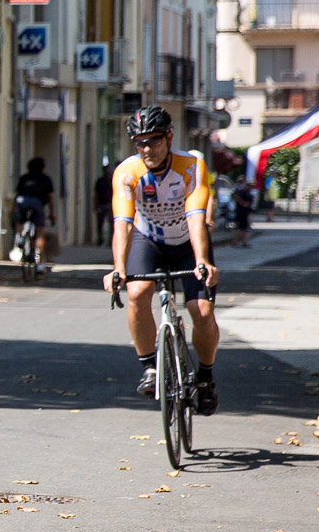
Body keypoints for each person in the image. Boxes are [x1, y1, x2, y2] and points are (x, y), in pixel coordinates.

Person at [104, 106, 220, 415]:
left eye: (153, 141)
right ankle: (149, 367)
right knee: (138, 294)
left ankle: (205, 378)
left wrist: (201, 260)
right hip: (148, 241)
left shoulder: (191, 165)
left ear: (169, 137)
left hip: (187, 241)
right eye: (139, 142)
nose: (146, 149)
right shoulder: (127, 172)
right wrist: (118, 268)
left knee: (202, 310)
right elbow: (123, 223)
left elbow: (196, 217)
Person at [12, 156, 56, 274]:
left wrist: (13, 211)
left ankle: (20, 237)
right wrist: (52, 213)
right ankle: (40, 265)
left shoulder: (24, 178)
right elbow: (50, 198)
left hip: (22, 201)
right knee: (39, 233)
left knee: (20, 221)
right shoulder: (45, 179)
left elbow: (17, 194)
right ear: (43, 167)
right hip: (37, 203)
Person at [230, 176, 254, 248]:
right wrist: (243, 203)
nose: (251, 187)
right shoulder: (243, 191)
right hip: (240, 212)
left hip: (245, 213)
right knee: (239, 228)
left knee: (244, 228)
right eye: (250, 186)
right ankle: (235, 242)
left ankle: (244, 242)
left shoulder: (249, 194)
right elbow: (236, 197)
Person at [92, 167, 112, 246]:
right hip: (101, 204)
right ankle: (100, 239)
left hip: (110, 204)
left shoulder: (112, 180)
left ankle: (110, 240)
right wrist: (95, 204)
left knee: (111, 223)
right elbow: (96, 194)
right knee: (100, 223)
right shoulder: (100, 181)